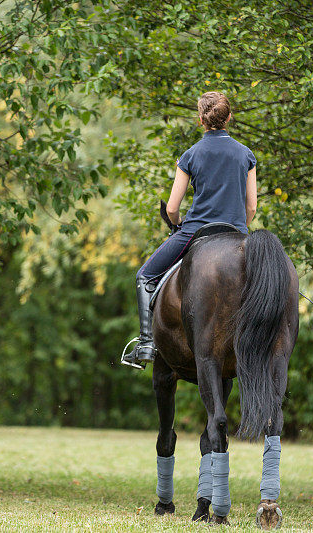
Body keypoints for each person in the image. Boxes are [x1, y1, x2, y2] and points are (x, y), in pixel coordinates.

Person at [122, 91, 258, 368]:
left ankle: (147, 342)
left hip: (195, 231)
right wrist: (237, 224)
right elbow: (252, 207)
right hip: (237, 232)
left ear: (201, 120)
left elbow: (172, 207)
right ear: (229, 117)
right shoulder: (246, 155)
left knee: (145, 276)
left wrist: (176, 224)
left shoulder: (190, 155)